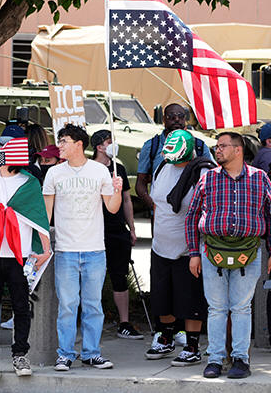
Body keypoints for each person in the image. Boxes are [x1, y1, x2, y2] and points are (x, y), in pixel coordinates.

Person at [185, 131, 271, 379]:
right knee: (216, 308)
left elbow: (270, 216)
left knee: (241, 307)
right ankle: (215, 359)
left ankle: (241, 360)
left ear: (238, 150)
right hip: (211, 251)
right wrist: (194, 253)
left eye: (222, 146)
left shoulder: (260, 178)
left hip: (249, 251)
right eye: (217, 146)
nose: (217, 150)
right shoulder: (208, 179)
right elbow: (192, 216)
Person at [0, 137, 51, 380]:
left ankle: (20, 355)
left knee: (21, 307)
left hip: (20, 254)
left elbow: (39, 218)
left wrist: (45, 250)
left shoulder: (29, 183)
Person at [43, 124, 122, 371]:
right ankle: (65, 354)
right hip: (65, 249)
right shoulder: (54, 173)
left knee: (93, 305)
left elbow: (112, 208)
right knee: (67, 305)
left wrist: (117, 190)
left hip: (94, 249)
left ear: (79, 144)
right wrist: (43, 245)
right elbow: (46, 215)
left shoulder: (100, 171)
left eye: (64, 141)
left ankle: (91, 353)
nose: (60, 146)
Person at [144, 129, 214, 366]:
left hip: (189, 249)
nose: (174, 163)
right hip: (160, 245)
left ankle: (193, 346)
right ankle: (165, 338)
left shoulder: (202, 171)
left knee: (190, 298)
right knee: (162, 295)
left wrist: (199, 249)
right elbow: (157, 203)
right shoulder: (162, 167)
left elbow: (207, 209)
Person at [89, 130, 141, 340]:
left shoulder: (118, 168)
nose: (113, 145)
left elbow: (127, 200)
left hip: (117, 230)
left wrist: (132, 228)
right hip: (94, 231)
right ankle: (90, 323)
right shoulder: (89, 169)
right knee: (92, 278)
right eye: (109, 142)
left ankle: (124, 323)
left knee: (120, 276)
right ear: (99, 147)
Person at [136, 103, 211, 211]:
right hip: (161, 213)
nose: (177, 120)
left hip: (192, 212)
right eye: (171, 116)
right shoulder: (151, 146)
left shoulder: (199, 146)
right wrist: (153, 206)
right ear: (163, 119)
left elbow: (210, 177)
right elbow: (141, 182)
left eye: (181, 116)